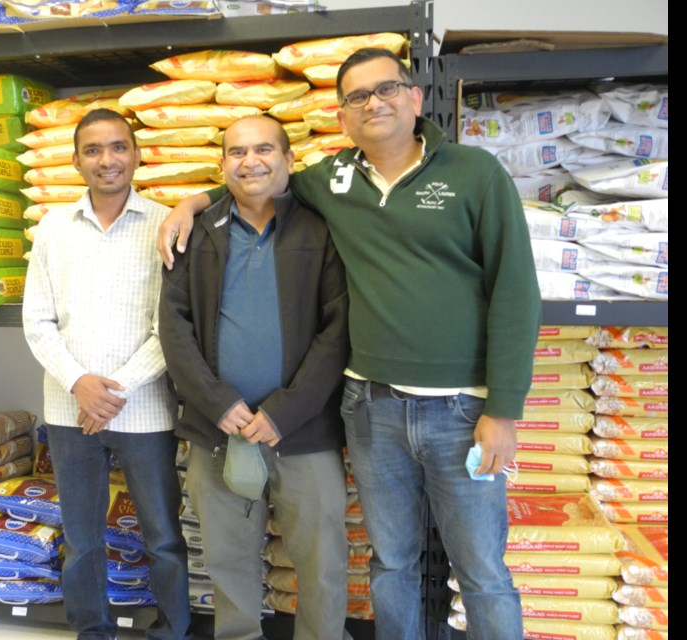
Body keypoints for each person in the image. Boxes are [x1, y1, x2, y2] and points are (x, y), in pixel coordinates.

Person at [157, 49, 542, 640]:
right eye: (358, 96)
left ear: (415, 98)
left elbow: (515, 294)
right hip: (371, 407)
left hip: (460, 409)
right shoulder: (333, 180)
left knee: (483, 571)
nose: (374, 103)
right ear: (341, 117)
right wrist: (192, 201)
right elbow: (254, 183)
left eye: (387, 88)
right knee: (390, 564)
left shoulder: (474, 173)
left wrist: (504, 409)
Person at [158, 115, 352, 640]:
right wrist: (217, 402)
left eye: (264, 149)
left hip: (303, 431)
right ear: (222, 166)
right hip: (217, 431)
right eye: (237, 152)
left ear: (290, 161)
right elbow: (173, 329)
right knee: (227, 562)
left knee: (322, 562)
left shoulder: (321, 229)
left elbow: (338, 330)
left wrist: (284, 411)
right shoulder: (195, 231)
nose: (250, 161)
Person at [22, 108, 191, 640]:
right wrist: (80, 384)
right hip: (70, 409)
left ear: (137, 155)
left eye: (118, 147)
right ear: (75, 160)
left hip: (144, 409)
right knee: (82, 535)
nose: (107, 160)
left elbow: (172, 326)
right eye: (93, 150)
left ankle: (173, 631)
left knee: (162, 534)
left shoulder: (167, 222)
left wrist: (113, 391)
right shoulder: (52, 228)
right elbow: (37, 320)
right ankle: (92, 630)